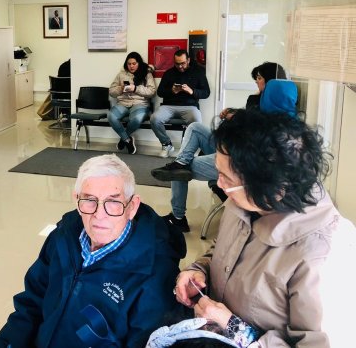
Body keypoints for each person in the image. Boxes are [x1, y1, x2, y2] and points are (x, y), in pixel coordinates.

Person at [173, 109, 355, 347]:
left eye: (226, 178)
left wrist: (234, 328)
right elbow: (222, 248)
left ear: (272, 188)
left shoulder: (325, 255)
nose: (219, 183)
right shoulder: (245, 203)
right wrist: (200, 270)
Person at [0, 154, 186, 348]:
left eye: (113, 202)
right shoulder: (62, 237)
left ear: (132, 207)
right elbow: (31, 303)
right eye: (89, 199)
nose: (99, 215)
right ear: (76, 200)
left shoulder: (156, 275)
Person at [150, 63, 288, 232]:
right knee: (195, 128)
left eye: (259, 78)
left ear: (271, 82)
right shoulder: (260, 101)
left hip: (239, 158)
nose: (256, 82)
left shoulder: (273, 110)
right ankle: (181, 161)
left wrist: (236, 118)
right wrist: (236, 113)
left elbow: (250, 133)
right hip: (231, 147)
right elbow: (249, 123)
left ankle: (178, 217)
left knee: (177, 171)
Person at [150, 50, 210, 158]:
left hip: (190, 106)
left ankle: (187, 149)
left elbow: (206, 93)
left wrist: (192, 91)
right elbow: (160, 92)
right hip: (169, 105)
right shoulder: (169, 73)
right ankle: (166, 144)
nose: (180, 66)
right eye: (177, 64)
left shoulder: (198, 72)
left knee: (197, 120)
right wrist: (171, 91)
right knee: (155, 118)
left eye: (183, 63)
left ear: (188, 60)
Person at [108, 52, 156, 154]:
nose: (131, 66)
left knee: (136, 119)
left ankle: (123, 139)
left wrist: (135, 89)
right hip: (123, 103)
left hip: (140, 103)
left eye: (134, 63)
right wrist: (120, 88)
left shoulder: (147, 74)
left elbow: (152, 92)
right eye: (129, 64)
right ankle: (127, 140)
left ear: (139, 63)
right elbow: (111, 92)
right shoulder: (121, 75)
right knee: (111, 116)